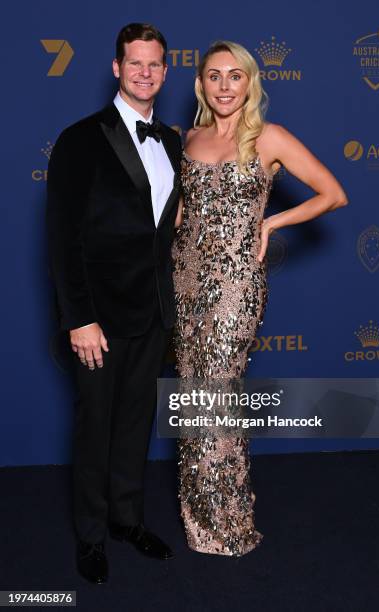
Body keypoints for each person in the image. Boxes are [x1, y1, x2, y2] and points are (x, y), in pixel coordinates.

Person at [172, 40, 348, 556]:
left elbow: (333, 193)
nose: (224, 86)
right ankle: (199, 520)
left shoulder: (268, 137)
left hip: (235, 286)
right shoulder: (189, 138)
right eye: (213, 76)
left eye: (235, 75)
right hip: (184, 280)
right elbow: (180, 217)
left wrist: (273, 220)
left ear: (250, 83)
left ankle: (228, 523)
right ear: (200, 83)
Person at [47, 23, 182, 583]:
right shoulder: (81, 138)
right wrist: (80, 318)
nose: (145, 73)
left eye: (154, 65)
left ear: (165, 71)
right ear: (116, 68)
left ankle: (129, 521)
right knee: (95, 427)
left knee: (135, 424)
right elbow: (62, 238)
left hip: (152, 314)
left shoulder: (172, 141)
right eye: (135, 64)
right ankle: (92, 536)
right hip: (98, 319)